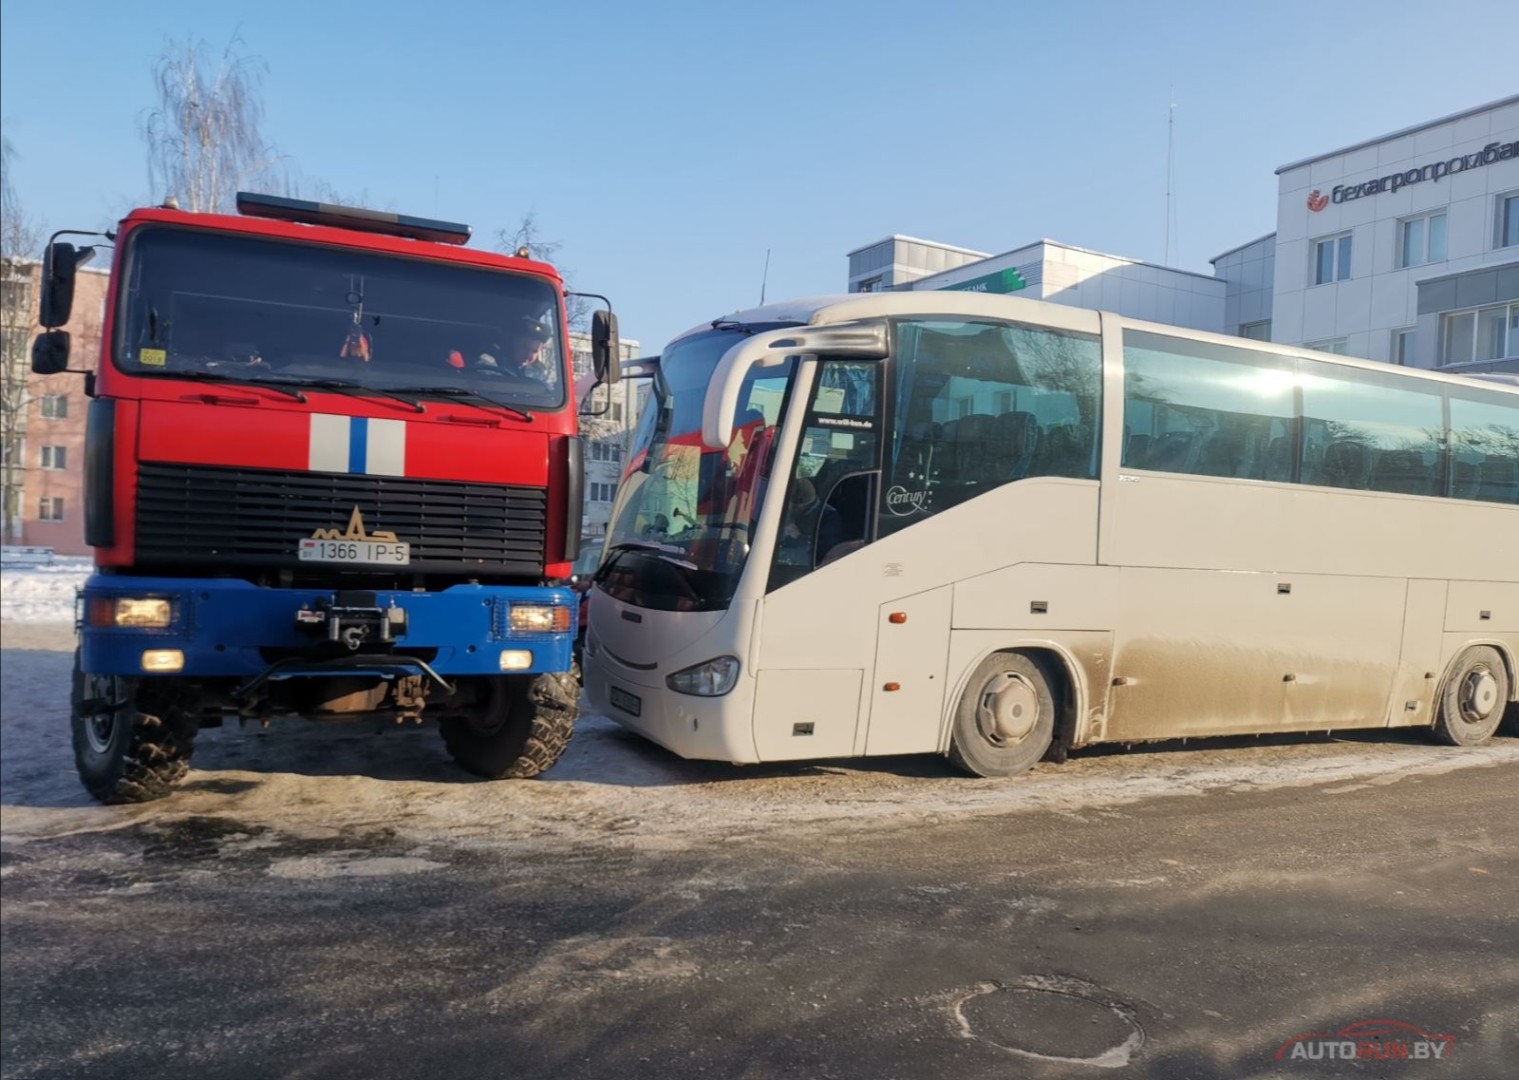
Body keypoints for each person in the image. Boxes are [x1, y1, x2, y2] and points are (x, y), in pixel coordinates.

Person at [779, 478, 842, 567]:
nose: (787, 507)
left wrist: (799, 537)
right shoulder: (796, 512)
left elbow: (828, 550)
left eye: (790, 503)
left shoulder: (830, 518)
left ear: (800, 504)